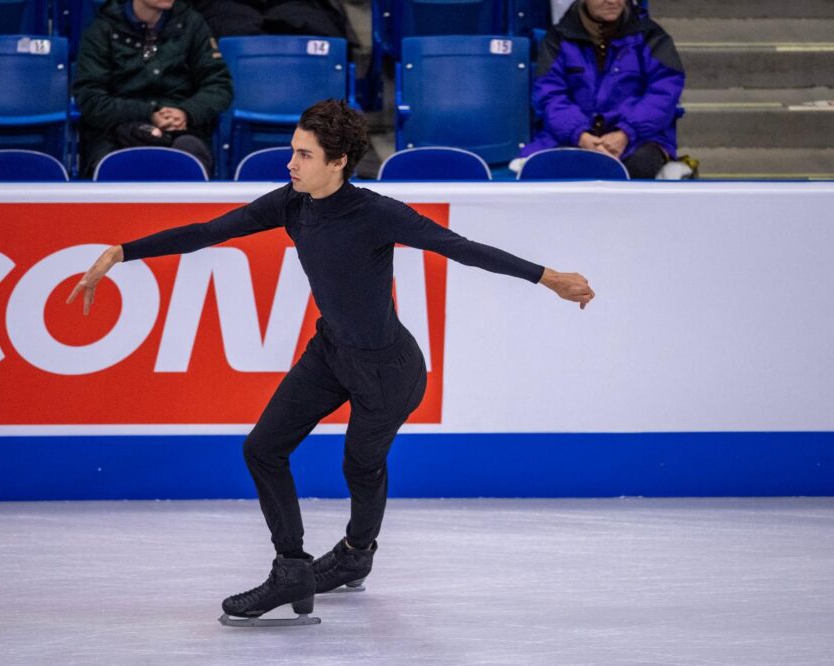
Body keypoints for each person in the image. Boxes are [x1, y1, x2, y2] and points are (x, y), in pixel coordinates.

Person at [67, 99, 595, 626]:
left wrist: (548, 278)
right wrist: (121, 252)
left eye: (304, 154)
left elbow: (458, 247)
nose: (291, 163)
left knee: (359, 465)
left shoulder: (377, 213)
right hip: (330, 352)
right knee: (262, 448)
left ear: (338, 161)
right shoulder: (291, 203)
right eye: (293, 151)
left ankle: (356, 554)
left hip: (387, 369)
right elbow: (211, 230)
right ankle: (291, 568)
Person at [521, 0, 685, 179]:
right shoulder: (557, 38)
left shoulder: (651, 35)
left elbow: (664, 92)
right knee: (558, 169)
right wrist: (580, 135)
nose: (613, 1)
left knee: (637, 167)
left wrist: (626, 133)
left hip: (641, 139)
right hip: (571, 137)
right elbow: (550, 95)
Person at [73, 0, 234, 177]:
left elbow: (219, 85)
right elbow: (89, 97)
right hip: (116, 131)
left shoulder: (192, 23)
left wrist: (186, 112)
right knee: (113, 164)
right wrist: (148, 114)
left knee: (190, 153)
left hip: (180, 130)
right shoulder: (102, 28)